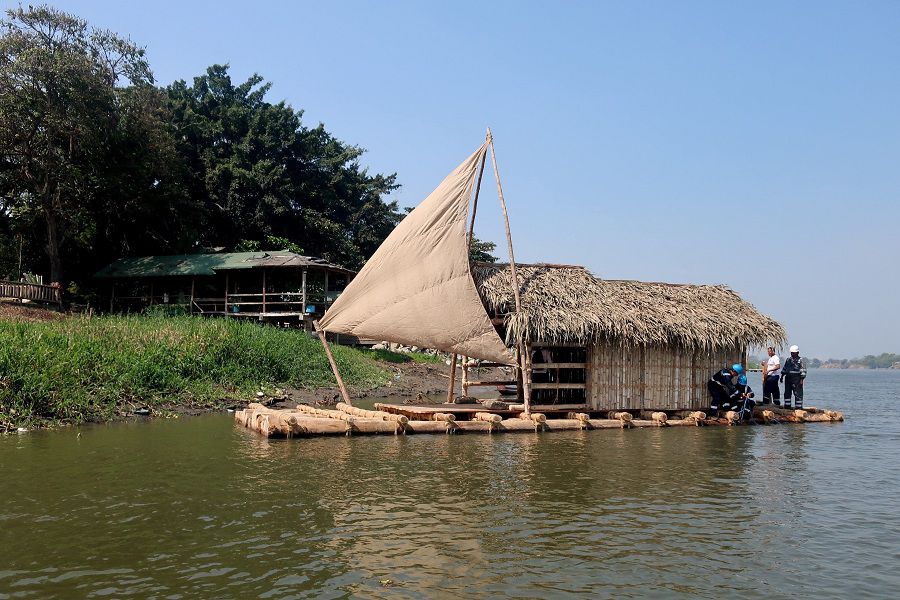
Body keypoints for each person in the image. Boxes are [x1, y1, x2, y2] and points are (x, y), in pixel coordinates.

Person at [781, 345, 807, 409]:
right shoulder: (788, 360)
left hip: (797, 379)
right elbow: (784, 369)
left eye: (793, 352)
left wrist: (801, 380)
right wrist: (782, 376)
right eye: (791, 352)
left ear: (797, 352)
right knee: (787, 393)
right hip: (788, 379)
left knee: (798, 393)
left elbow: (803, 371)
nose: (792, 354)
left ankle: (798, 408)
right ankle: (787, 407)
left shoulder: (801, 360)